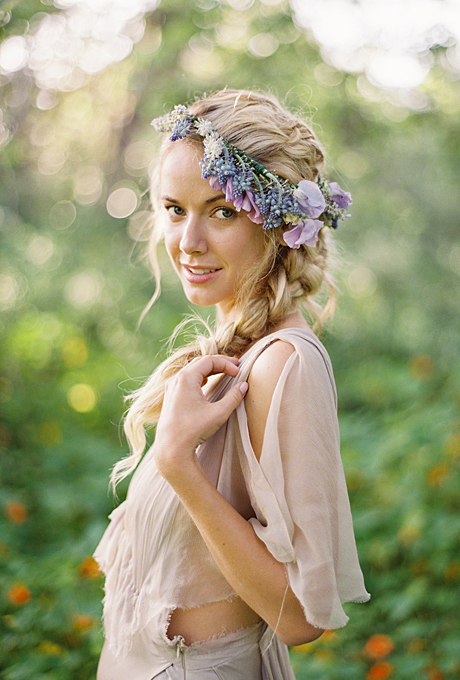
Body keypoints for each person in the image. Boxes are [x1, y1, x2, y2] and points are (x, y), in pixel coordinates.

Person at [94, 89, 370, 680]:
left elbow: (299, 618)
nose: (188, 241)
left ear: (277, 223)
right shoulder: (229, 356)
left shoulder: (282, 364)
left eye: (221, 211)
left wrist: (176, 462)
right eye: (174, 209)